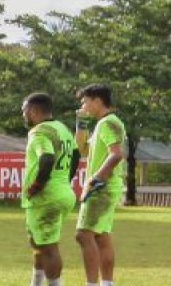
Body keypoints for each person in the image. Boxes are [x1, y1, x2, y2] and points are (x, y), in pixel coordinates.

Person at [21, 93, 78, 286]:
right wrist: (64, 181)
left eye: (24, 111)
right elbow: (76, 155)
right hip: (62, 192)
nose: (23, 115)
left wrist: (37, 185)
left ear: (33, 110)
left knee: (49, 248)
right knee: (37, 242)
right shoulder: (63, 128)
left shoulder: (39, 131)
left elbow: (46, 158)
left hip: (46, 197)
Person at [74, 84, 126, 286]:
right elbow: (83, 149)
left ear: (97, 101)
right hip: (107, 186)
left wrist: (95, 179)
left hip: (102, 188)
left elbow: (117, 154)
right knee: (101, 237)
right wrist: (80, 123)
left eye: (85, 101)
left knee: (83, 235)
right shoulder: (102, 124)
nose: (83, 105)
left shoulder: (108, 123)